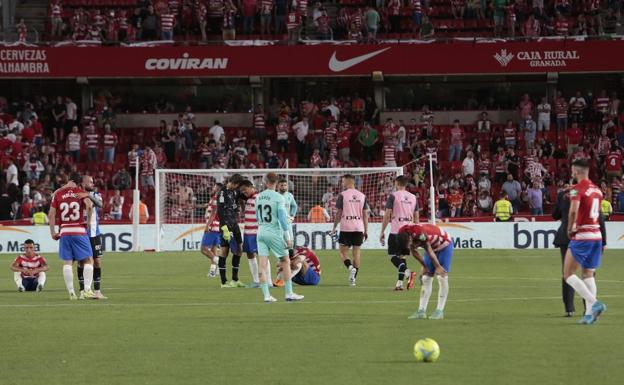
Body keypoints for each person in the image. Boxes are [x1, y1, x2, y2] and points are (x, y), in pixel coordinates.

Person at [561, 159, 607, 324]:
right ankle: (589, 315)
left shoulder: (577, 190)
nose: (571, 173)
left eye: (573, 171)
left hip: (582, 235)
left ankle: (594, 304)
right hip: (596, 235)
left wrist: (569, 228)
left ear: (577, 172)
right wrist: (571, 190)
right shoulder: (598, 190)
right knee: (588, 274)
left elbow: (574, 210)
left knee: (568, 274)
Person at [553, 182, 607, 317]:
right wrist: (604, 241)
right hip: (587, 236)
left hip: (567, 236)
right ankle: (589, 308)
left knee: (568, 274)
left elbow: (555, 215)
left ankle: (569, 308)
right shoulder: (592, 194)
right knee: (588, 273)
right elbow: (599, 219)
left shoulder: (563, 195)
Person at [255, 172, 304, 302]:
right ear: (276, 183)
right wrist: (288, 236)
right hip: (274, 233)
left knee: (262, 264)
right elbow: (282, 218)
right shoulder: (279, 197)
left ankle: (266, 295)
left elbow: (256, 216)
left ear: (265, 182)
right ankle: (289, 293)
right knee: (285, 261)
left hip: (260, 232)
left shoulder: (258, 197)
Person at [48, 172, 95, 300]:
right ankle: (87, 290)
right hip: (78, 229)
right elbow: (90, 206)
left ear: (69, 179)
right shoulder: (79, 191)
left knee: (67, 262)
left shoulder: (58, 193)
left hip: (64, 232)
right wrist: (89, 222)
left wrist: (53, 232)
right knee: (88, 260)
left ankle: (71, 293)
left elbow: (51, 215)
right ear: (79, 181)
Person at [398, 223, 453, 320]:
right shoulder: (402, 233)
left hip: (444, 244)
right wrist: (424, 266)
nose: (410, 245)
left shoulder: (419, 233)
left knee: (441, 276)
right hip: (431, 247)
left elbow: (429, 250)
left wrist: (438, 266)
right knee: (426, 278)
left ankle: (439, 311)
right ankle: (421, 311)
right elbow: (414, 251)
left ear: (410, 237)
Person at [379, 176, 419, 291]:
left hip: (396, 231)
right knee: (402, 257)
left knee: (392, 256)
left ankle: (408, 273)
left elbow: (387, 215)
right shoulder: (413, 197)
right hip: (408, 232)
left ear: (397, 183)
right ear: (406, 184)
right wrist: (414, 234)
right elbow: (416, 218)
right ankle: (399, 284)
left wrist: (382, 231)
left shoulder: (393, 196)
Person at [331, 174, 370, 286]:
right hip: (359, 227)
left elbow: (339, 213)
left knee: (343, 252)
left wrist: (334, 227)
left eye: (343, 181)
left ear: (348, 181)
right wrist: (366, 230)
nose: (342, 183)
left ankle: (350, 267)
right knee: (356, 253)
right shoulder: (362, 195)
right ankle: (353, 279)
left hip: (346, 227)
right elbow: (365, 215)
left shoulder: (343, 195)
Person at [209, 173, 246, 288]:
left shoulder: (235, 191)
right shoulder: (222, 193)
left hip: (235, 224)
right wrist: (224, 229)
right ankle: (224, 282)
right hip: (225, 226)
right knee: (224, 252)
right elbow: (220, 212)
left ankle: (235, 279)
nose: (238, 188)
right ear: (234, 183)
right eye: (238, 186)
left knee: (239, 250)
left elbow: (244, 197)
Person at [78, 175, 107, 299]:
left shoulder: (95, 195)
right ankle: (82, 291)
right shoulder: (75, 196)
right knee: (81, 262)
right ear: (83, 183)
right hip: (80, 232)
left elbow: (100, 205)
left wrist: (87, 195)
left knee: (97, 261)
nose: (93, 184)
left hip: (94, 233)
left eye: (93, 181)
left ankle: (97, 291)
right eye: (90, 182)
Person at [238, 180, 262, 288]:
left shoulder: (258, 197)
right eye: (242, 191)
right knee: (249, 255)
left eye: (245, 189)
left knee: (262, 255)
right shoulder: (249, 199)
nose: (243, 192)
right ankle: (256, 281)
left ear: (251, 187)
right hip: (247, 231)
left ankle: (268, 281)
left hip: (256, 231)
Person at [201, 184, 222, 278]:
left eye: (214, 187)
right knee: (213, 250)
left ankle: (219, 262)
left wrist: (207, 225)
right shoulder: (220, 198)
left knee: (203, 249)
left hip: (212, 227)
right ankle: (213, 271)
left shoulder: (215, 198)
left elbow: (213, 213)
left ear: (217, 189)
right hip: (218, 227)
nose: (212, 188)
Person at [278, 178, 298, 258]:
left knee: (290, 243)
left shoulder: (289, 195)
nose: (283, 187)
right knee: (281, 244)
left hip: (287, 222)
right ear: (278, 186)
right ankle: (282, 263)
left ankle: (291, 262)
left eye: (285, 185)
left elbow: (294, 206)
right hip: (278, 223)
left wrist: (292, 215)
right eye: (281, 185)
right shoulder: (276, 196)